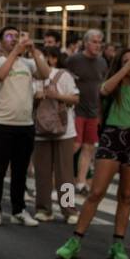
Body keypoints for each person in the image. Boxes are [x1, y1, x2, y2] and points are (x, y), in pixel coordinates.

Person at [56, 46, 130, 259]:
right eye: (126, 61)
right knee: (96, 192)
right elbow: (105, 90)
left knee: (126, 195)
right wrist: (124, 68)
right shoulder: (113, 84)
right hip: (112, 136)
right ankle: (75, 240)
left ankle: (118, 243)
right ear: (119, 63)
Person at [0, 27, 50, 226]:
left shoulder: (28, 63)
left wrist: (33, 50)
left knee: (20, 171)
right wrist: (15, 52)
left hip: (25, 124)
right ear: (0, 41)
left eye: (17, 36)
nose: (14, 40)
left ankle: (18, 209)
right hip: (2, 122)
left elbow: (45, 73)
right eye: (9, 36)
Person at [33, 49, 80, 223]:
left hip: (64, 131)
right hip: (40, 130)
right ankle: (44, 209)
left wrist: (56, 96)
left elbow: (75, 99)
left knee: (65, 173)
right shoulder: (31, 75)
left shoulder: (63, 75)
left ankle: (69, 210)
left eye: (39, 57)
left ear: (51, 59)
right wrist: (35, 97)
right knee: (42, 173)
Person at [64, 28, 107, 193]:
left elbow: (101, 86)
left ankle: (81, 182)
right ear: (86, 43)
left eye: (100, 42)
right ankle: (62, 179)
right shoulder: (74, 60)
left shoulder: (102, 62)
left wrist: (100, 112)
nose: (98, 45)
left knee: (89, 147)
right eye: (94, 42)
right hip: (76, 109)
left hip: (93, 111)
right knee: (75, 145)